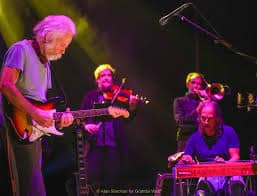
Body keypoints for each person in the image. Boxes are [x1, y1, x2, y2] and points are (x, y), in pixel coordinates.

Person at [0, 15, 76, 196]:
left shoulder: (46, 63)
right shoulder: (21, 49)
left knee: (34, 188)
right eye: (62, 44)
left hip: (31, 134)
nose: (64, 50)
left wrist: (58, 121)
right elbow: (5, 85)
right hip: (13, 129)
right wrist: (34, 112)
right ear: (49, 36)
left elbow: (42, 105)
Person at [80, 64, 139, 190]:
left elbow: (128, 120)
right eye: (103, 75)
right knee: (92, 183)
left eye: (109, 75)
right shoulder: (90, 97)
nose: (107, 78)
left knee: (113, 184)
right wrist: (86, 126)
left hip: (114, 148)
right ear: (97, 80)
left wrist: (132, 108)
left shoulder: (118, 97)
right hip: (94, 147)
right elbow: (81, 120)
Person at [178, 100, 245, 195]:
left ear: (217, 119)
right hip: (207, 176)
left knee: (237, 188)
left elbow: (235, 157)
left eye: (209, 119)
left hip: (230, 172)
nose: (205, 122)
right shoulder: (194, 138)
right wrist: (187, 159)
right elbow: (187, 155)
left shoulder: (229, 132)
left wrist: (225, 164)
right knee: (202, 192)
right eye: (203, 118)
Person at [173, 72, 206, 152]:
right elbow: (180, 122)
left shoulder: (204, 101)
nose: (196, 86)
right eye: (193, 83)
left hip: (203, 139)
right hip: (185, 140)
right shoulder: (179, 101)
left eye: (199, 84)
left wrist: (208, 99)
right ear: (187, 84)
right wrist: (197, 111)